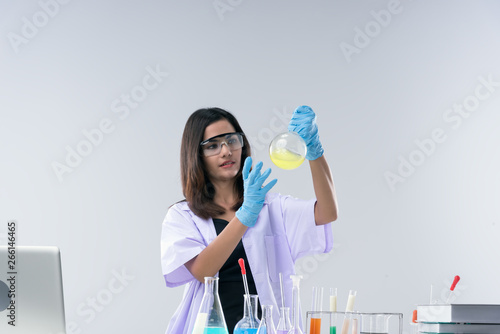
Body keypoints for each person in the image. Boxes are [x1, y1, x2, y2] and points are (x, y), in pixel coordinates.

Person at [161, 106, 338, 334]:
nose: (226, 151)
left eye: (232, 140)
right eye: (213, 145)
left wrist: (314, 152)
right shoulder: (183, 215)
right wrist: (245, 215)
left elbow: (327, 212)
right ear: (196, 156)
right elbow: (203, 271)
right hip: (211, 329)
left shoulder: (271, 207)